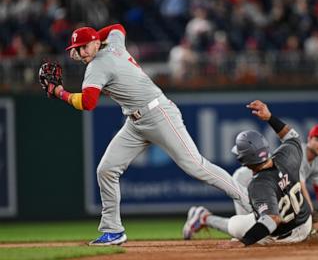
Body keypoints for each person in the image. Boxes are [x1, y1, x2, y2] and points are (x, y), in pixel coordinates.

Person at [42, 24, 251, 245]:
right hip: (135, 122)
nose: (81, 52)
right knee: (106, 169)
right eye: (77, 48)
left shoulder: (97, 66)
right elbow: (117, 27)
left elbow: (87, 102)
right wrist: (95, 39)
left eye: (84, 47)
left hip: (159, 114)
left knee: (197, 166)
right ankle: (113, 231)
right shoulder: (114, 44)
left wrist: (58, 92)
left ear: (95, 43)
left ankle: (251, 202)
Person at [183, 100, 312, 246]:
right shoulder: (287, 155)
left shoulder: (258, 185)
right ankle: (204, 218)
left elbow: (272, 219)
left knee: (236, 224)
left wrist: (244, 241)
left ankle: (204, 218)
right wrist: (270, 117)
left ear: (244, 160)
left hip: (284, 237)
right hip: (306, 224)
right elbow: (293, 137)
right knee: (260, 214)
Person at [231, 123, 318, 234]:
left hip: (269, 183)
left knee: (272, 217)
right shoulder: (298, 153)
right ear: (309, 139)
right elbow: (300, 188)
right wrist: (314, 218)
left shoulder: (317, 163)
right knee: (250, 224)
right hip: (246, 179)